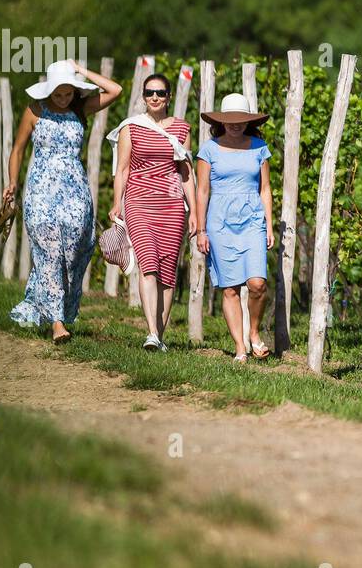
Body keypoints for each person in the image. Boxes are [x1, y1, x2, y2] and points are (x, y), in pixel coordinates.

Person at [5, 59, 123, 343]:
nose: (62, 98)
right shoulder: (35, 110)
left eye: (68, 92)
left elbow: (115, 90)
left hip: (74, 191)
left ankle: (46, 305)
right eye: (58, 93)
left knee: (72, 252)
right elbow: (18, 150)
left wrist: (82, 71)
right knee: (49, 251)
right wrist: (12, 182)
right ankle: (57, 323)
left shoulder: (80, 109)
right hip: (40, 190)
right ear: (48, 90)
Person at [109, 73, 197, 351]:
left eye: (160, 92)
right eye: (149, 93)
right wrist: (116, 202)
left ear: (169, 96)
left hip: (172, 206)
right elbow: (122, 169)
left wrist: (193, 211)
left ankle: (159, 336)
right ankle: (151, 332)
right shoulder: (131, 127)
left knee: (168, 271)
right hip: (138, 202)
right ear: (143, 97)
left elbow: (186, 173)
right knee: (148, 263)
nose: (155, 97)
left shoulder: (183, 129)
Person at [195, 93, 275, 362]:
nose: (235, 124)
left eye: (240, 120)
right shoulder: (209, 149)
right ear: (221, 121)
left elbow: (265, 189)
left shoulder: (258, 147)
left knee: (257, 284)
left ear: (248, 122)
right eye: (230, 120)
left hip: (252, 219)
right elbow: (202, 190)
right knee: (230, 288)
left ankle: (254, 333)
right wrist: (201, 229)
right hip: (219, 222)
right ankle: (240, 348)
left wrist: (270, 225)